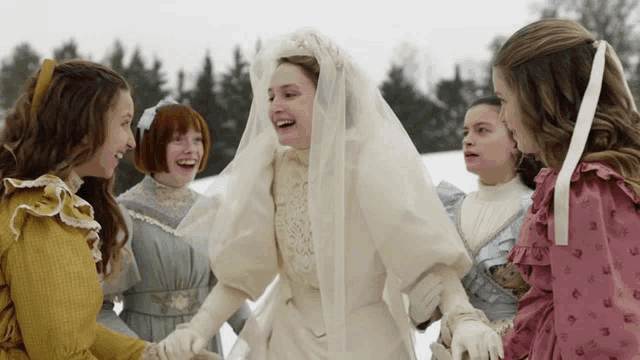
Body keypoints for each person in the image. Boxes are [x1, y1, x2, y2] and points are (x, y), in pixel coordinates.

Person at [157, 29, 503, 360]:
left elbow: (425, 259)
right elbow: (243, 272)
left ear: (327, 97)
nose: (275, 105)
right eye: (271, 96)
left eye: (290, 94)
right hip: (287, 343)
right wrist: (197, 329)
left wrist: (464, 318)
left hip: (366, 344)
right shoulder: (271, 168)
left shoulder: (368, 161)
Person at [493, 19, 640, 359]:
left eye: (503, 100)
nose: (502, 116)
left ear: (541, 101)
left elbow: (603, 337)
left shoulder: (584, 193)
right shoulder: (602, 181)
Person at [0, 59, 161, 358]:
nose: (130, 142)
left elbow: (73, 327)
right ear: (85, 126)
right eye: (124, 124)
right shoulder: (42, 213)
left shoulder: (41, 201)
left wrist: (145, 354)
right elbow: (63, 354)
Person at [98, 99, 251, 356]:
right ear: (153, 145)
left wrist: (257, 335)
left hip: (202, 346)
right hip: (147, 346)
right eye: (178, 139)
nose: (191, 149)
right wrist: (143, 353)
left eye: (197, 139)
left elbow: (224, 290)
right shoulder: (123, 214)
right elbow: (100, 308)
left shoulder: (211, 210)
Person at [424, 96, 542, 358]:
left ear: (515, 140)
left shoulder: (536, 208)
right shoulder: (448, 208)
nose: (468, 140)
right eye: (465, 132)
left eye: (482, 130)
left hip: (520, 350)